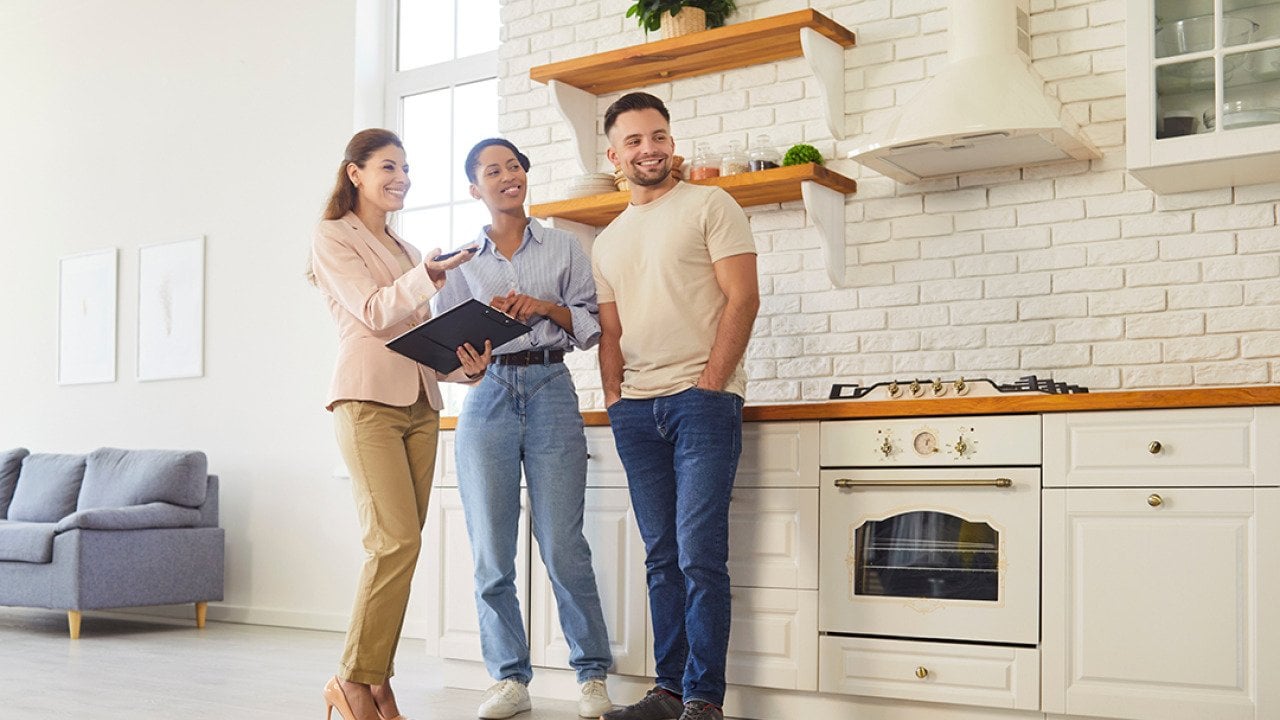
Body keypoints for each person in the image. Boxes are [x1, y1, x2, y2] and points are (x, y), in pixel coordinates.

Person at [309, 128, 491, 720]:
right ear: (355, 172)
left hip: (419, 405)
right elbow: (372, 312)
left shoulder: (410, 252)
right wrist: (430, 278)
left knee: (403, 550)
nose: (402, 178)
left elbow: (416, 341)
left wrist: (466, 369)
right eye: (389, 166)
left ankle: (375, 681)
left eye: (407, 168)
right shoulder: (333, 236)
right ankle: (350, 682)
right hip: (365, 402)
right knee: (394, 541)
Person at [433, 137, 614, 720]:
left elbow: (590, 327)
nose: (507, 176)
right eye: (493, 170)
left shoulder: (564, 246)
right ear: (474, 188)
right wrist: (467, 366)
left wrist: (544, 307)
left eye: (514, 166)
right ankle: (509, 679)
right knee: (491, 550)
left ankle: (591, 678)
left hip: (550, 388)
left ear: (525, 177)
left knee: (564, 544)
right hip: (487, 398)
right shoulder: (462, 263)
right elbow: (444, 355)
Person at [591, 93, 760, 720]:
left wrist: (712, 384)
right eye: (634, 141)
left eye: (657, 135)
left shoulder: (712, 204)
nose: (649, 148)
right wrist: (614, 398)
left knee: (698, 556)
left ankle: (703, 699)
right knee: (661, 558)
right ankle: (668, 690)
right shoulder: (607, 241)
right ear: (614, 155)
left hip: (701, 404)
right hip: (637, 411)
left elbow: (743, 298)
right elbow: (610, 330)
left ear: (671, 141)